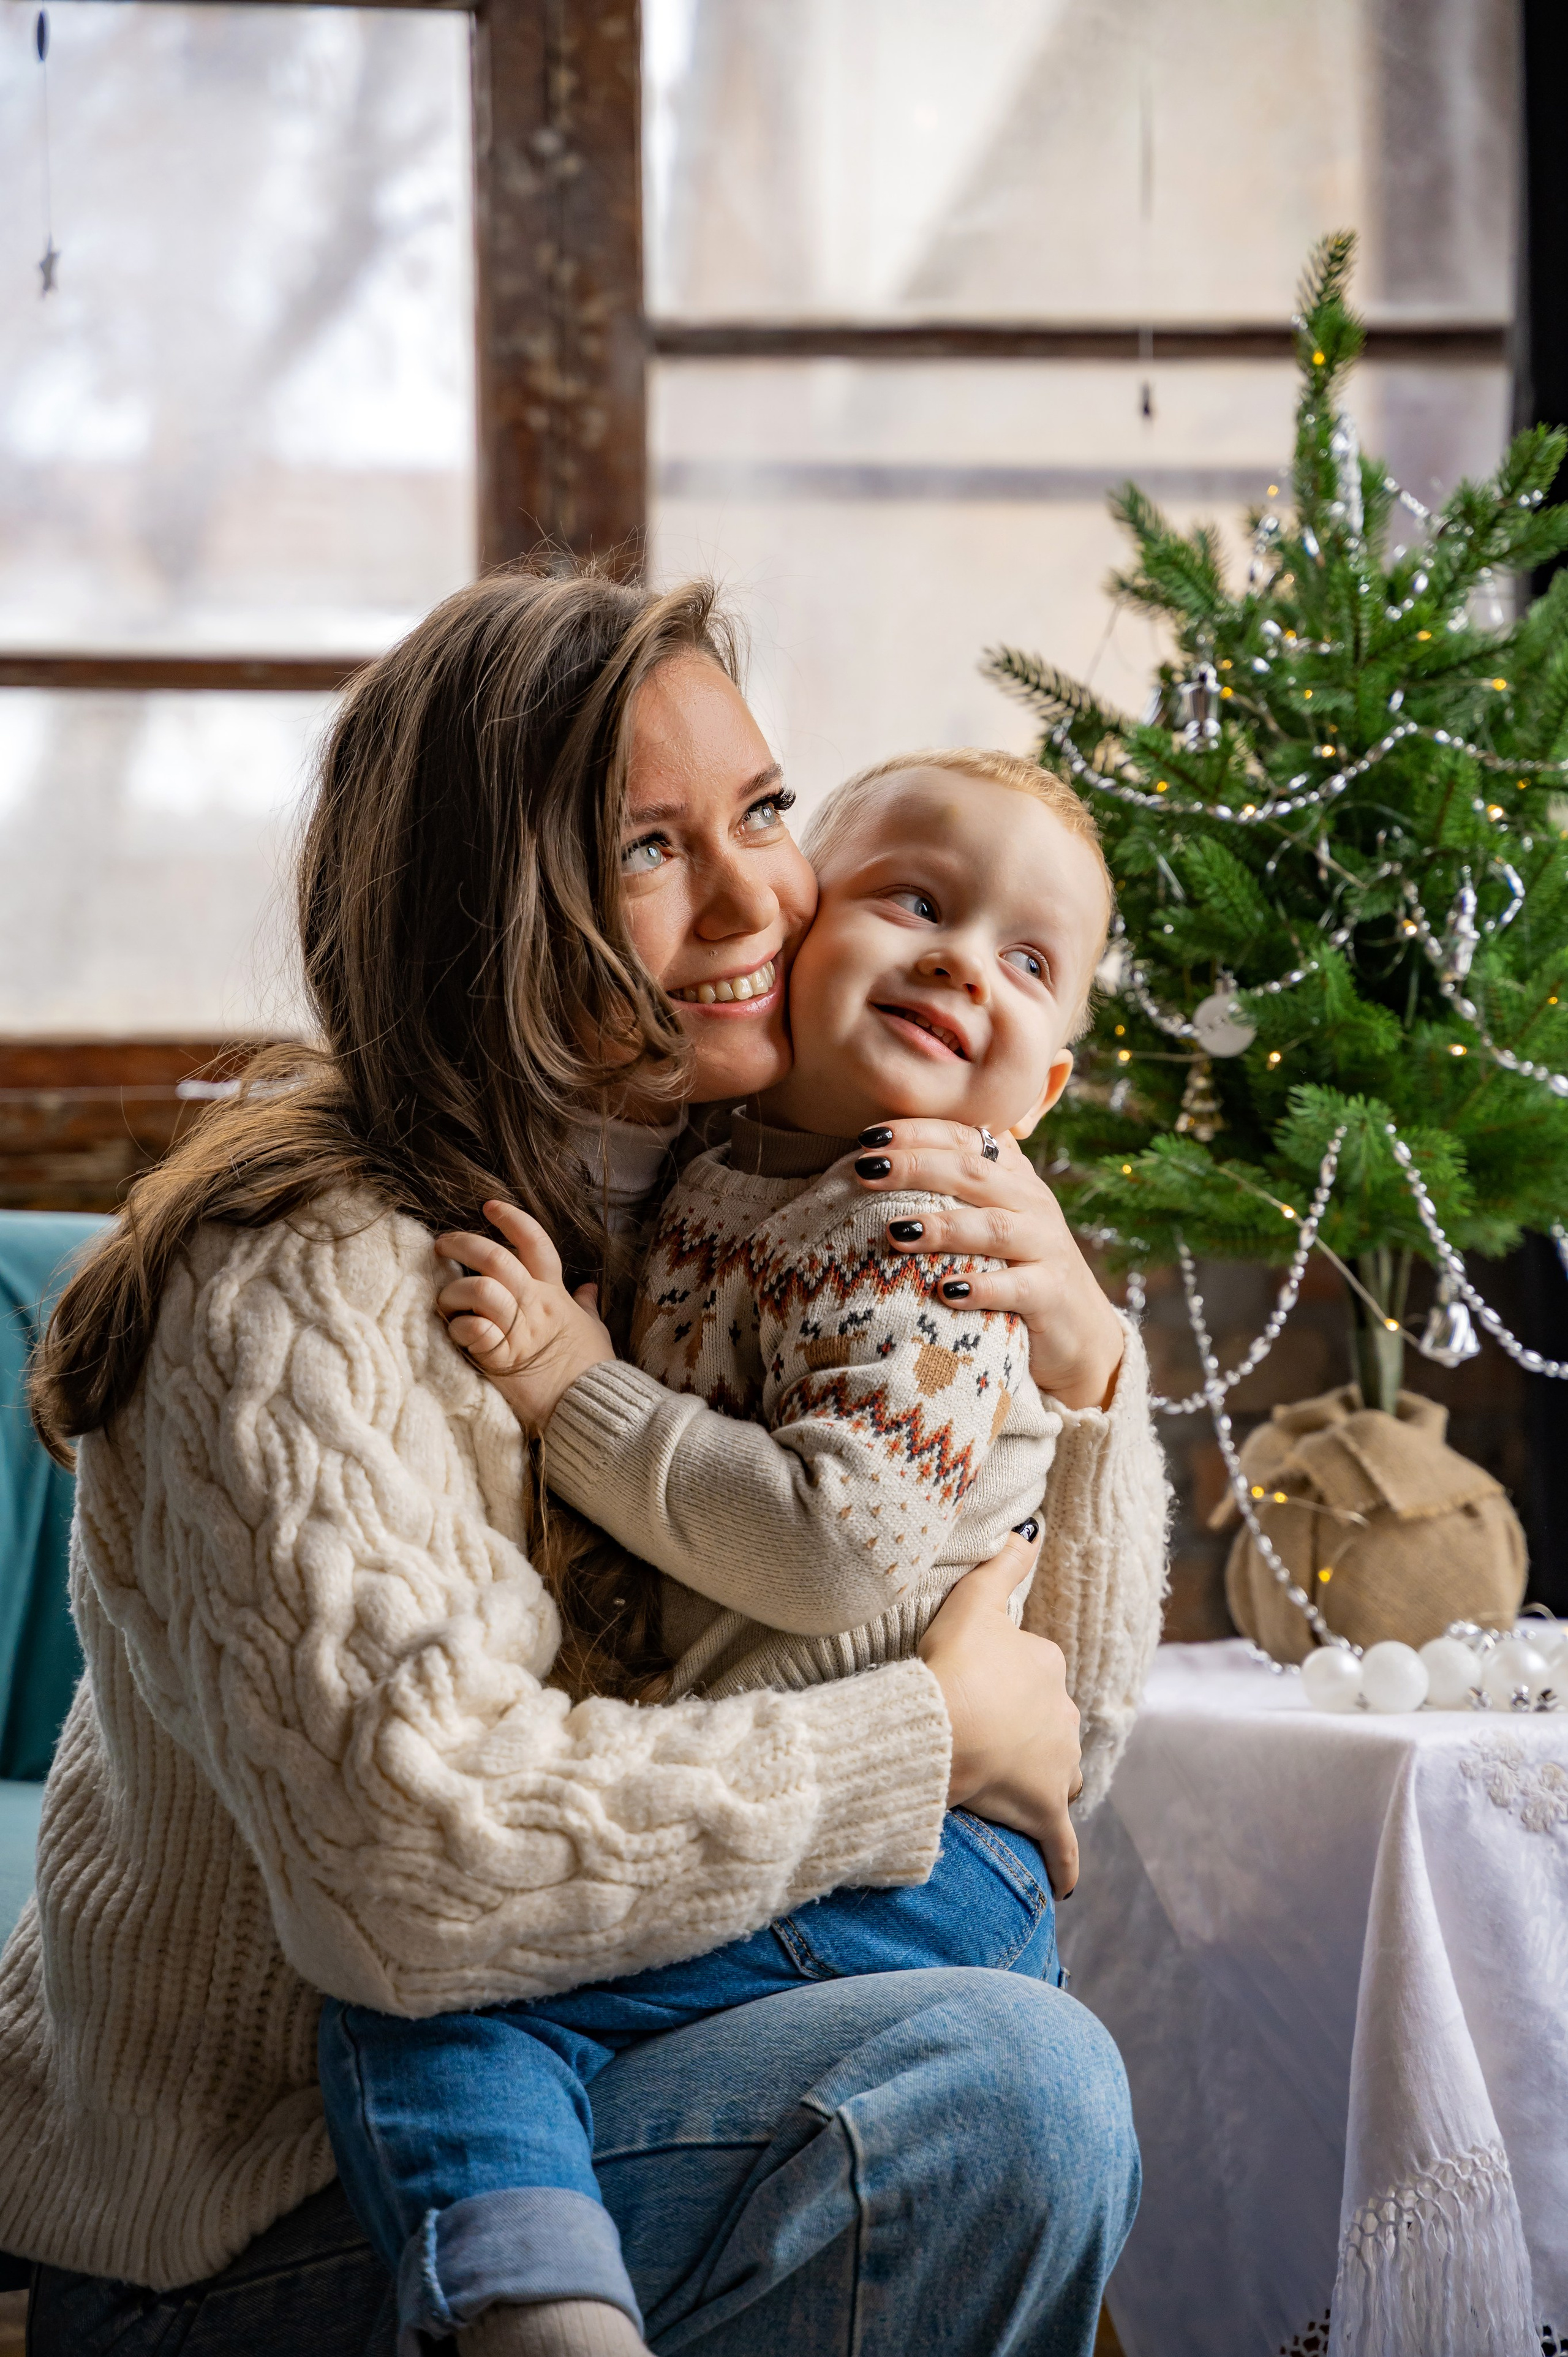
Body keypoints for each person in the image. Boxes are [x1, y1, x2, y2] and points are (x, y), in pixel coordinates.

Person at [0, 568, 1163, 2356]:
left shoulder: (755, 1198)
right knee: (1005, 2092)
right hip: (245, 2216)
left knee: (1020, 2062)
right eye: (650, 849)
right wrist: (922, 1741)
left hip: (602, 2063)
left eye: (766, 811)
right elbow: (420, 1870)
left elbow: (1054, 1739)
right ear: (494, 913)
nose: (764, 893)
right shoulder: (310, 1274)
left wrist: (1083, 1378)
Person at [319, 744, 1166, 2355]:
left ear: (1041, 1089)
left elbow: (836, 1554)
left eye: (1027, 958)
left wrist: (576, 1387)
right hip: (823, 1811)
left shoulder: (919, 1236)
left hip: (910, 1856)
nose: (957, 957)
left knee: (437, 2016)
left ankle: (525, 2309)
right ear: (805, 936)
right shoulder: (730, 1170)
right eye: (914, 897)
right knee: (460, 2010)